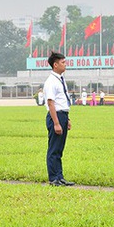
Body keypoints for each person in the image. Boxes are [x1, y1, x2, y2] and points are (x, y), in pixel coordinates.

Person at [42, 52, 75, 186]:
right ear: (55, 65)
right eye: (63, 62)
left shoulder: (60, 79)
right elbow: (51, 103)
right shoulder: (51, 82)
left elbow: (62, 101)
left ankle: (59, 176)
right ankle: (53, 178)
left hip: (62, 115)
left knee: (59, 149)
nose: (65, 64)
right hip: (55, 116)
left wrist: (67, 119)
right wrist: (56, 123)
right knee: (54, 148)